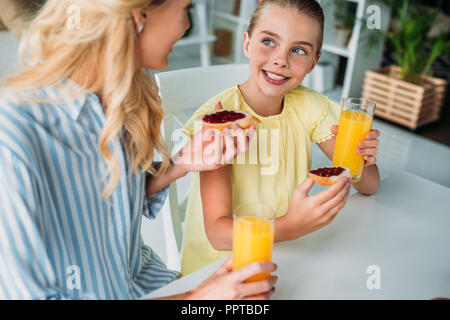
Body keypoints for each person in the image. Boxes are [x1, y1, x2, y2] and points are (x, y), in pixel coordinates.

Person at [0, 0, 277, 300]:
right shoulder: (12, 136)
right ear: (139, 16)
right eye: (185, 8)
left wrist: (182, 163)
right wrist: (199, 299)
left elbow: (106, 202)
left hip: (150, 285)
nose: (186, 25)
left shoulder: (121, 95)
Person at [180, 0, 381, 276]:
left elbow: (369, 186)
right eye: (269, 41)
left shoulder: (310, 106)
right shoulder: (219, 121)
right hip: (218, 272)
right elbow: (218, 234)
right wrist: (292, 225)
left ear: (314, 62)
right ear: (247, 43)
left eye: (298, 50)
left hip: (287, 257)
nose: (281, 60)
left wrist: (364, 159)